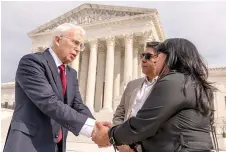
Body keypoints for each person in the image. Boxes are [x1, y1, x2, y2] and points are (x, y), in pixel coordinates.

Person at [93, 38, 216, 152]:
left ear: (170, 56)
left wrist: (110, 134)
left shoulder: (173, 82)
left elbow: (143, 124)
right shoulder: (195, 84)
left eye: (159, 55)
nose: (156, 59)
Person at [3, 23, 97, 152]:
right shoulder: (32, 62)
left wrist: (98, 127)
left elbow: (77, 105)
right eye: (75, 42)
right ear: (58, 40)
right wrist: (92, 129)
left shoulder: (71, 73)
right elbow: (49, 102)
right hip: (28, 144)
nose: (78, 49)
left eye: (81, 45)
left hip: (55, 146)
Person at [112, 42, 160, 152]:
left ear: (160, 59)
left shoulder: (166, 85)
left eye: (148, 56)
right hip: (127, 145)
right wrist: (120, 142)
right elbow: (119, 114)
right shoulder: (132, 85)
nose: (143, 60)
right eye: (142, 55)